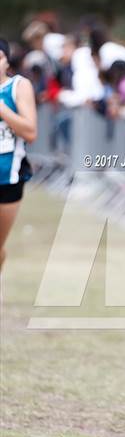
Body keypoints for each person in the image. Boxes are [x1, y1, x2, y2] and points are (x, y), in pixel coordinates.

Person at [0, 39, 37, 272]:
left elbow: (31, 132)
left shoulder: (18, 87)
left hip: (8, 177)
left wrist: (2, 109)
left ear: (6, 61)